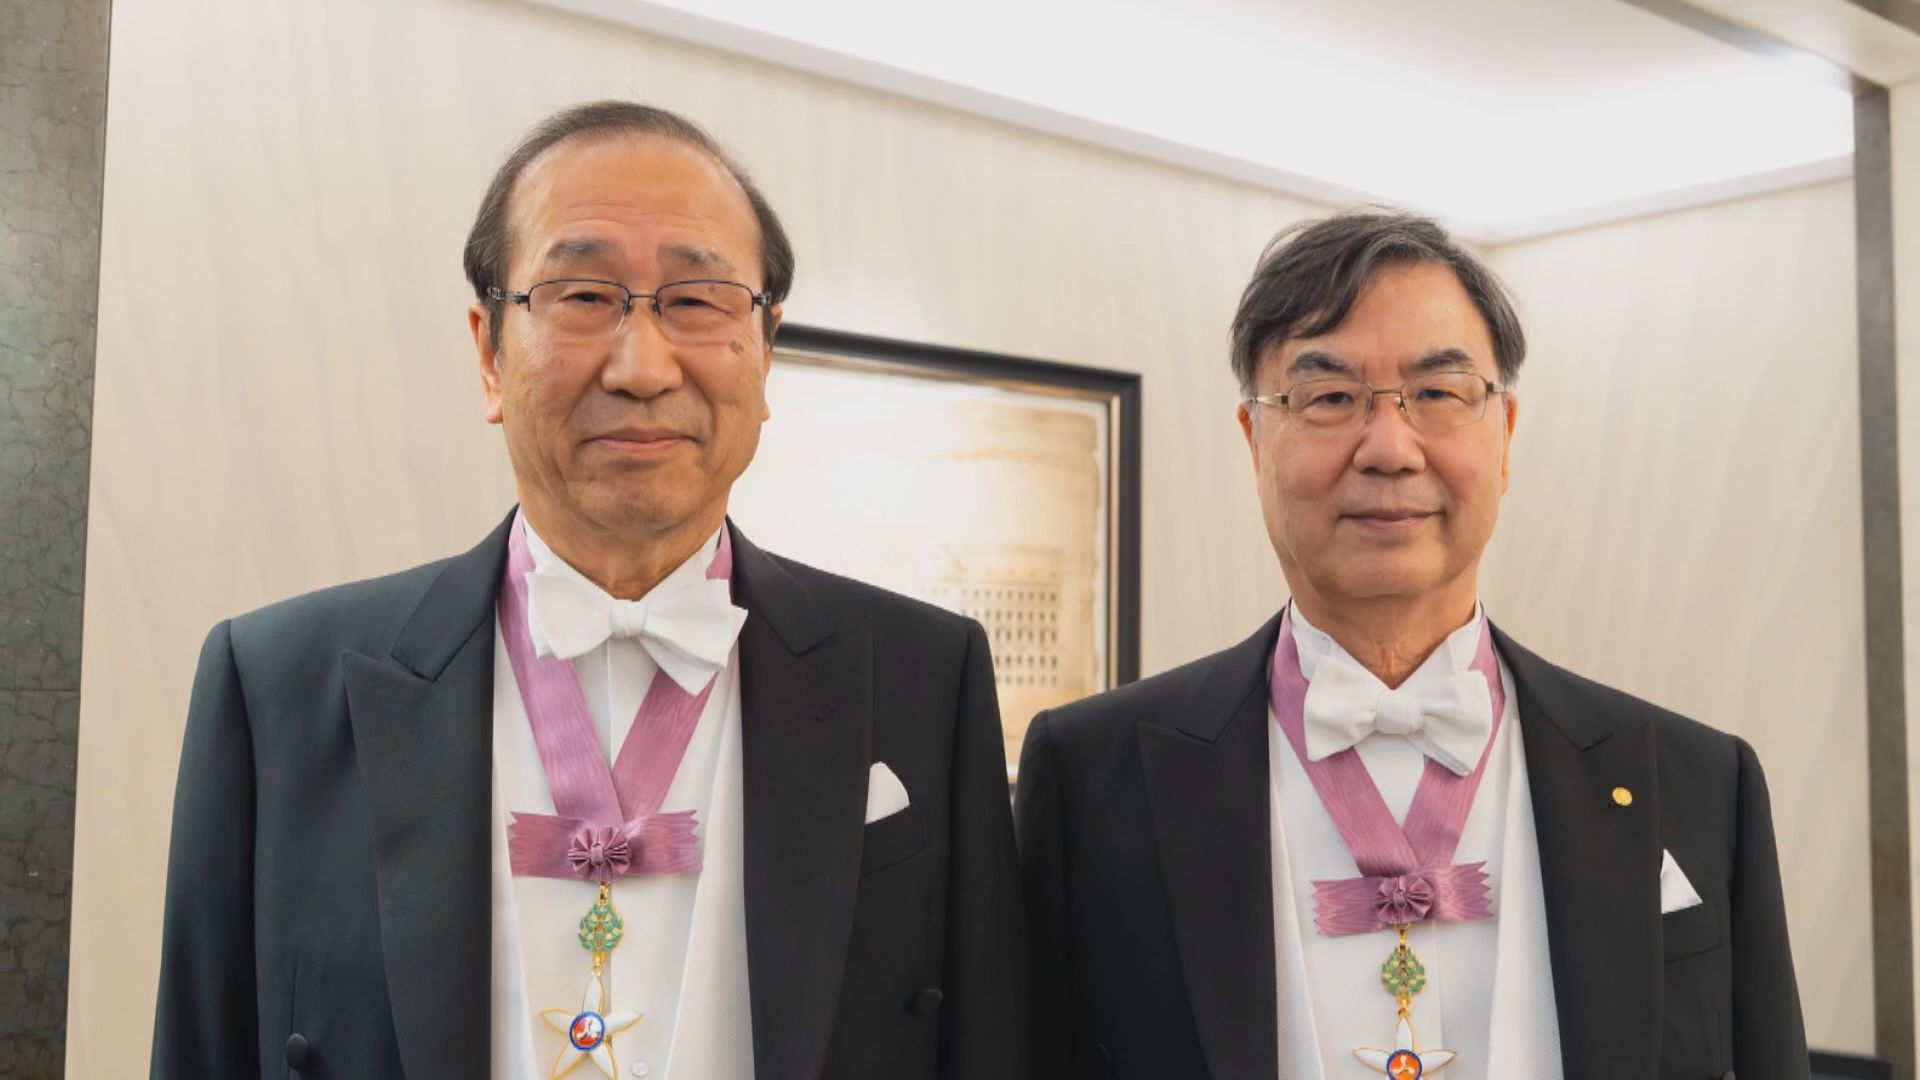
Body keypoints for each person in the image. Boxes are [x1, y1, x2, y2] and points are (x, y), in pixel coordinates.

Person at [152, 100, 1029, 1080]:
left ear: (765, 350)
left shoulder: (923, 675)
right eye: (582, 295)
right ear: (489, 353)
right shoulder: (273, 685)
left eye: (696, 300)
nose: (643, 367)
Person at [1015, 210, 1806, 1080]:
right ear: (1255, 440)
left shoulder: (1699, 783)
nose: (1390, 449)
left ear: (1504, 436)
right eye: (1329, 398)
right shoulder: (1091, 779)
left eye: (1437, 394)